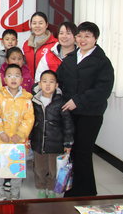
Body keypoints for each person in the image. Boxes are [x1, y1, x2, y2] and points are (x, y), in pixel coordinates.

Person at [57, 21, 114, 197]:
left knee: (83, 152)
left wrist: (78, 100)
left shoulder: (102, 62)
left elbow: (103, 89)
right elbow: (59, 80)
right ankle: (73, 189)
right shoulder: (70, 58)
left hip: (90, 114)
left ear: (95, 38)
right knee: (71, 151)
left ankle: (86, 193)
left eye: (87, 36)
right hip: (70, 113)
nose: (82, 39)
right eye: (80, 36)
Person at [0, 64, 34, 200]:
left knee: (16, 167)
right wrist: (0, 132)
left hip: (17, 140)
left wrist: (20, 134)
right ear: (4, 79)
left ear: (22, 79)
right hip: (0, 139)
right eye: (9, 76)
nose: (13, 79)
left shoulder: (26, 99)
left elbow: (29, 119)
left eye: (17, 76)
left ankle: (15, 190)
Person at [31, 70, 74, 198]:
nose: (48, 85)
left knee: (53, 169)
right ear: (39, 84)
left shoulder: (61, 103)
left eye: (51, 82)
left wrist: (68, 143)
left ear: (56, 85)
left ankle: (51, 188)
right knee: (39, 168)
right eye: (44, 81)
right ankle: (41, 187)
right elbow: (30, 121)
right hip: (38, 142)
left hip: (56, 144)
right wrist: (28, 138)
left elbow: (68, 124)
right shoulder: (34, 101)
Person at [23, 12, 58, 81]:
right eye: (34, 23)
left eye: (40, 23)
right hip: (30, 84)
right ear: (30, 25)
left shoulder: (55, 44)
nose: (37, 26)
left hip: (48, 84)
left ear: (46, 25)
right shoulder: (26, 45)